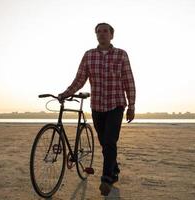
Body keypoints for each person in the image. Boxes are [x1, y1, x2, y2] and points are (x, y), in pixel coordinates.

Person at [58, 22, 136, 196]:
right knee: (103, 141)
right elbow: (80, 79)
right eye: (98, 32)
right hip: (97, 105)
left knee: (110, 141)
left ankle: (106, 179)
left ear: (111, 35)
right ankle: (114, 169)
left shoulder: (121, 54)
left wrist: (131, 105)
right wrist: (66, 92)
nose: (102, 34)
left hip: (116, 104)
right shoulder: (89, 55)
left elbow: (128, 80)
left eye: (105, 31)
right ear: (96, 35)